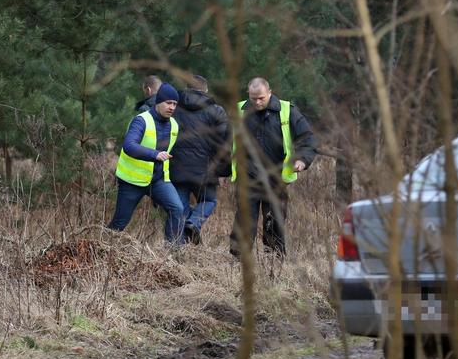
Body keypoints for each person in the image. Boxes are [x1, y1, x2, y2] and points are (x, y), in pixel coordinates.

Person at [229, 77, 317, 257]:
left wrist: (302, 160)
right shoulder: (239, 111)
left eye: (261, 97)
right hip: (248, 176)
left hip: (276, 177)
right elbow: (225, 142)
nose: (257, 102)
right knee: (245, 219)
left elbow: (307, 138)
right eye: (253, 98)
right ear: (249, 94)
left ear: (270, 92)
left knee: (275, 220)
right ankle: (239, 259)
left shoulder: (287, 110)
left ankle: (274, 258)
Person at [107, 82, 185, 244]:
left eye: (174, 104)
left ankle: (173, 254)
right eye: (168, 103)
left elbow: (171, 153)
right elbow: (129, 146)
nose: (171, 107)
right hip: (132, 181)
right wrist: (155, 155)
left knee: (177, 209)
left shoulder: (174, 125)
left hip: (158, 180)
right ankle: (100, 249)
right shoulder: (141, 120)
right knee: (119, 223)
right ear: (158, 102)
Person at [170, 75, 232, 245]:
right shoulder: (217, 110)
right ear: (205, 90)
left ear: (188, 88)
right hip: (205, 169)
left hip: (176, 167)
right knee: (209, 200)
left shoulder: (174, 107)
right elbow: (224, 144)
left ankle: (178, 249)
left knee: (180, 208)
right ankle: (194, 223)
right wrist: (224, 171)